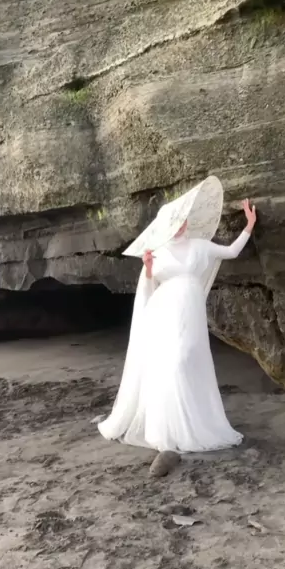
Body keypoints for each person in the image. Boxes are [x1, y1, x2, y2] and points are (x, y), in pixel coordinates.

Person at [97, 193, 257, 477]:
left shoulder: (200, 246)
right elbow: (150, 286)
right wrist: (148, 269)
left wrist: (249, 225)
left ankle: (192, 421)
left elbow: (231, 252)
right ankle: (167, 429)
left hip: (190, 311)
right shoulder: (157, 251)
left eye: (183, 220)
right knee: (169, 364)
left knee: (187, 359)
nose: (182, 225)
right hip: (164, 311)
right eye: (176, 221)